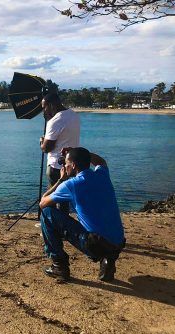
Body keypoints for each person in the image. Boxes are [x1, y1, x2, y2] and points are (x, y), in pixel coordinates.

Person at [39, 147, 125, 282]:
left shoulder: (71, 184)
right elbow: (100, 161)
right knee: (102, 226)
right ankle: (108, 260)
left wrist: (60, 180)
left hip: (96, 245)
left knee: (47, 214)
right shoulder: (102, 174)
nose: (65, 166)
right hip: (118, 243)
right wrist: (80, 154)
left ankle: (59, 266)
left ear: (73, 165)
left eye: (66, 164)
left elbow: (43, 203)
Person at [40, 93, 80, 213]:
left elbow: (46, 148)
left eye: (44, 107)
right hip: (71, 165)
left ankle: (52, 226)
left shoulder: (55, 121)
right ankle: (63, 226)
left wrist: (42, 142)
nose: (44, 110)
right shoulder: (74, 115)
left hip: (56, 166)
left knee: (51, 199)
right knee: (64, 199)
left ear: (51, 105)